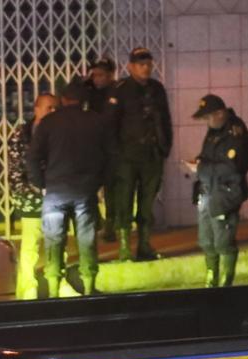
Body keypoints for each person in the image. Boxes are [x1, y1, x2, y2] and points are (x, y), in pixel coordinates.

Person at [28, 80, 112, 297]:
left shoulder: (49, 123)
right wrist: (98, 182)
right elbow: (110, 155)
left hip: (55, 190)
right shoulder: (96, 121)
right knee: (86, 239)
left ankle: (54, 288)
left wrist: (41, 184)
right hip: (85, 190)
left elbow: (34, 157)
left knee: (54, 241)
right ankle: (89, 286)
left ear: (63, 99)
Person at [108, 47, 173, 261]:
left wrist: (165, 148)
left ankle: (144, 244)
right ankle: (125, 247)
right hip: (127, 156)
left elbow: (165, 120)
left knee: (147, 203)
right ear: (130, 66)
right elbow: (111, 124)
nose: (145, 68)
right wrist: (115, 154)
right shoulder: (121, 89)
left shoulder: (157, 89)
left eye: (148, 64)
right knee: (124, 201)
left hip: (151, 155)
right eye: (140, 64)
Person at [185, 94, 248, 287]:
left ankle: (226, 281)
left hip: (225, 193)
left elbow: (232, 167)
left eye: (208, 117)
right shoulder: (215, 130)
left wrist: (201, 168)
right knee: (206, 240)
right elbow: (207, 155)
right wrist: (197, 162)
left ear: (220, 113)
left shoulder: (234, 132)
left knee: (223, 241)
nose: (206, 122)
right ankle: (211, 277)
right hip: (207, 191)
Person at [9, 93, 59, 299]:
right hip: (31, 198)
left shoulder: (59, 132)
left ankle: (57, 281)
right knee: (30, 245)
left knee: (56, 242)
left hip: (55, 197)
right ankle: (28, 287)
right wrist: (26, 192)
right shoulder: (21, 134)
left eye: (56, 108)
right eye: (48, 108)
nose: (52, 112)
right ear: (37, 109)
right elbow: (16, 169)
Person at [85, 57, 119, 242]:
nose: (97, 79)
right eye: (94, 75)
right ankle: (97, 221)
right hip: (93, 148)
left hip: (112, 148)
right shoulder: (89, 91)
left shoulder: (116, 92)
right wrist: (85, 82)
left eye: (101, 75)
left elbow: (109, 118)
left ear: (110, 75)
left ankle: (110, 226)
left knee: (111, 190)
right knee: (89, 187)